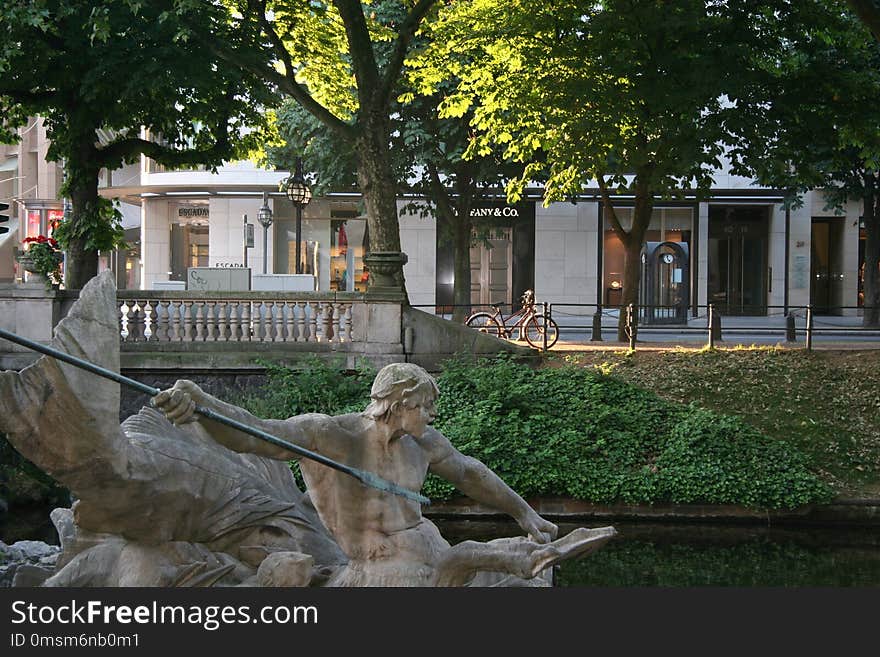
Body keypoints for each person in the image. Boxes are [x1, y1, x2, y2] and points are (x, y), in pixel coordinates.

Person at [153, 362, 608, 587]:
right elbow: (256, 434)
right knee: (457, 571)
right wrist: (202, 405)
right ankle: (495, 556)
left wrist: (525, 513)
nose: (432, 413)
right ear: (400, 403)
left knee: (514, 585)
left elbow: (471, 474)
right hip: (379, 575)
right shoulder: (332, 436)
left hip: (429, 552)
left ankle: (507, 553)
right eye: (426, 405)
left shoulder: (424, 443)